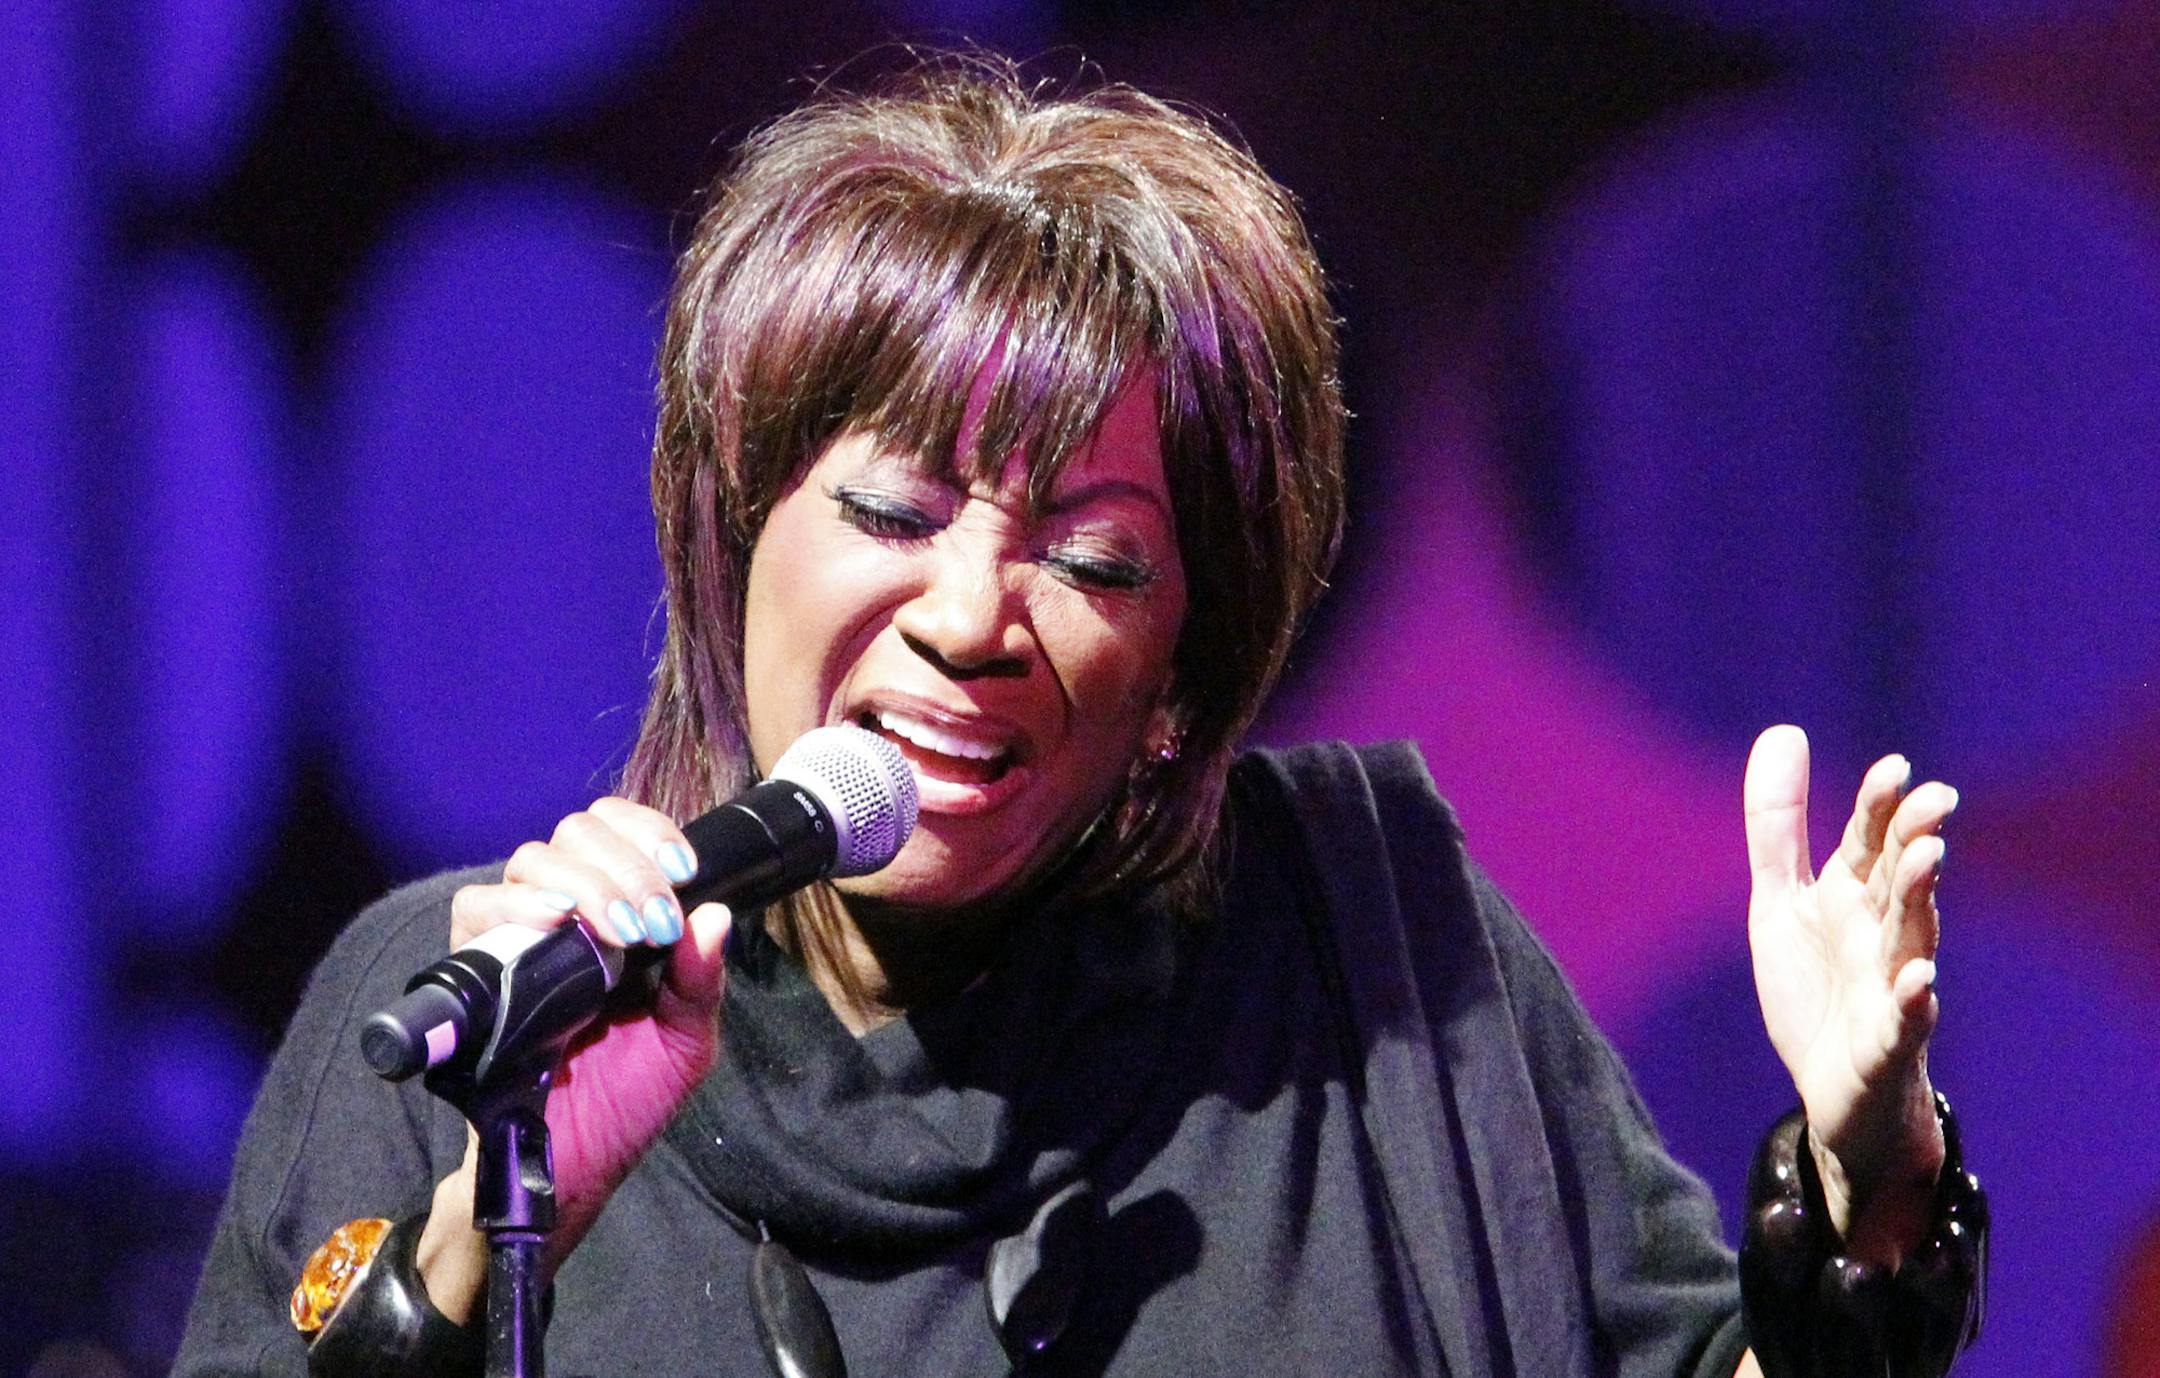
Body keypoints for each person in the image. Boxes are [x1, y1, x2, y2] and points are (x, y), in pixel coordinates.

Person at [174, 58, 1982, 1378]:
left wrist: (1863, 1177)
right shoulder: (468, 1014)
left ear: (1189, 659)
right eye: (891, 515)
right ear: (733, 530)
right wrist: (492, 1228)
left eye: (1093, 560)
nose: (972, 617)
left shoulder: (1379, 955)